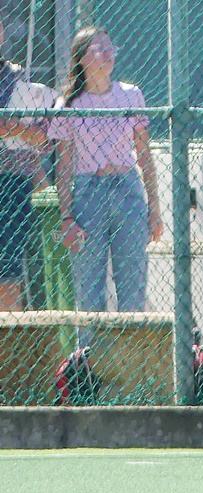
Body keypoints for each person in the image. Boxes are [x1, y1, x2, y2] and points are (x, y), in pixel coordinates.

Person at [48, 27, 162, 330]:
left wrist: (155, 209)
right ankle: (91, 370)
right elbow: (64, 165)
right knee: (89, 289)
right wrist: (67, 216)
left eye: (111, 46)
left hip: (127, 187)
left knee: (132, 284)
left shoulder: (130, 95)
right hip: (88, 193)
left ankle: (132, 367)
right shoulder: (69, 105)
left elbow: (144, 154)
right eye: (99, 48)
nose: (108, 53)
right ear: (82, 58)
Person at [0, 18, 54, 310]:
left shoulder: (20, 82)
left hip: (11, 184)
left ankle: (10, 352)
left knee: (8, 275)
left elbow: (45, 140)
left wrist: (18, 130)